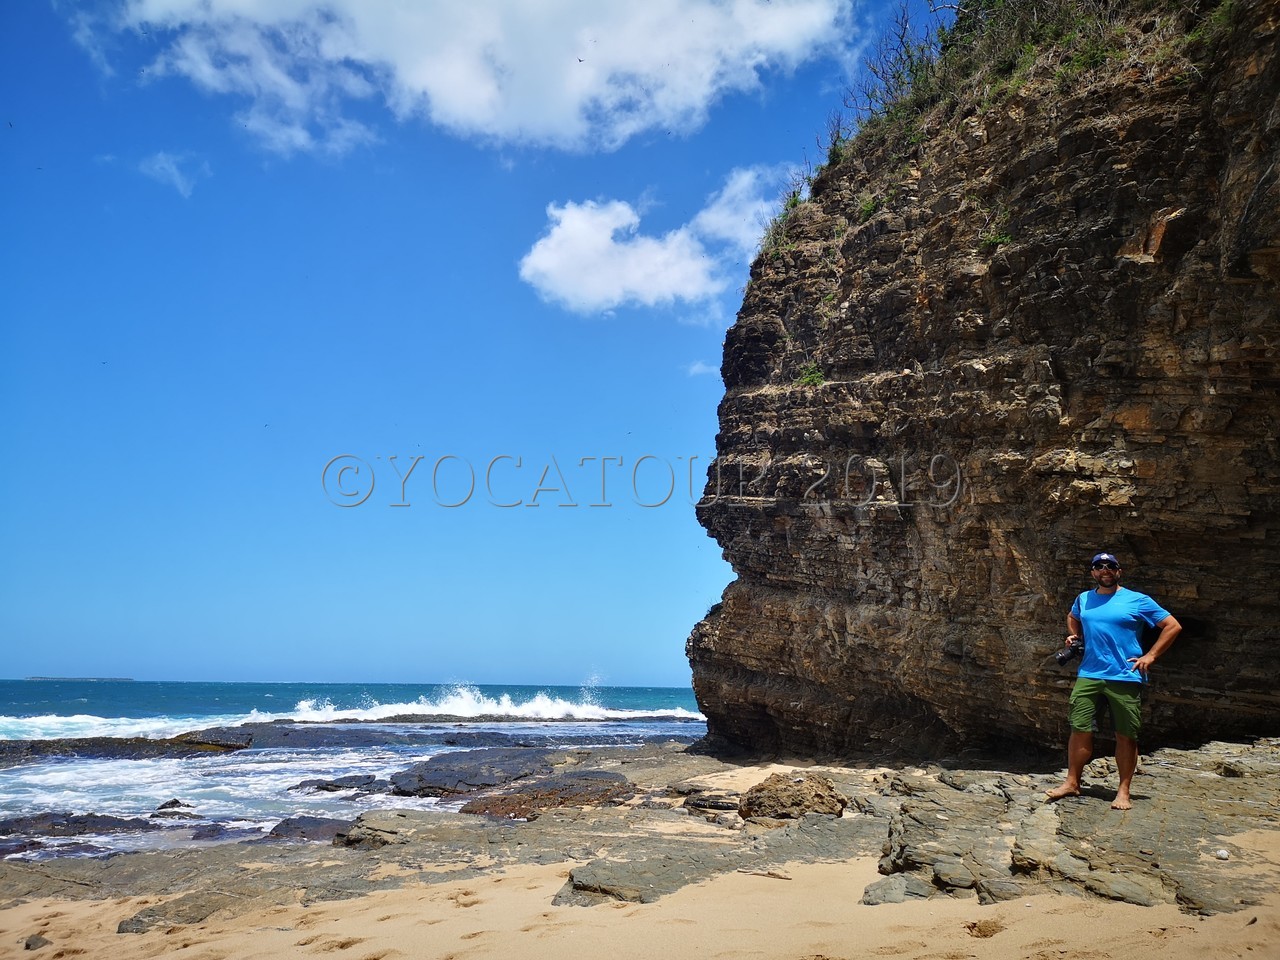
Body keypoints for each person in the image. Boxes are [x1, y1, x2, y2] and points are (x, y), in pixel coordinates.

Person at [1045, 551, 1182, 810]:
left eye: (1110, 566)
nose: (1104, 570)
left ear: (1118, 571)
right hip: (1089, 674)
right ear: (1093, 572)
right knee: (1079, 728)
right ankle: (1072, 783)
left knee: (1126, 735)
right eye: (1099, 566)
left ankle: (1123, 792)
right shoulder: (1084, 598)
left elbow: (1172, 625)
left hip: (1125, 676)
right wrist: (1074, 636)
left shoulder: (1137, 600)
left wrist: (1151, 655)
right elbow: (1073, 616)